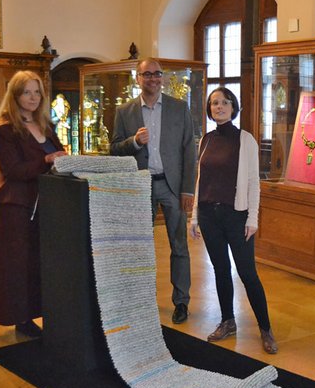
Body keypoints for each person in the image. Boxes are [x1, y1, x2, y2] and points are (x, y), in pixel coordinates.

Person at [189, 87, 278, 354]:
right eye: (214, 103)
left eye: (224, 102)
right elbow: (199, 180)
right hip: (208, 215)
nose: (219, 107)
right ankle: (228, 321)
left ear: (233, 106)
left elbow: (253, 182)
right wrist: (194, 216)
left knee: (247, 273)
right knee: (220, 270)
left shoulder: (245, 139)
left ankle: (266, 328)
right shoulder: (205, 140)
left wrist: (253, 218)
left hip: (236, 216)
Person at [111, 57, 195, 324]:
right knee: (139, 247)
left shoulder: (179, 108)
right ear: (138, 78)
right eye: (146, 74)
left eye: (157, 74)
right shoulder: (124, 112)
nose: (153, 79)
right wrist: (134, 141)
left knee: (179, 246)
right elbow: (114, 149)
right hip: (139, 187)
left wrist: (187, 190)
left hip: (172, 187)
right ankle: (141, 299)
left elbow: (189, 152)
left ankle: (181, 302)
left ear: (163, 77)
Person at [0, 70, 67, 338]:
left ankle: (40, 311)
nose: (33, 98)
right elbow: (14, 171)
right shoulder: (4, 128)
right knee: (18, 265)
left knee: (38, 262)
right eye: (26, 92)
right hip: (17, 207)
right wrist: (46, 161)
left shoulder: (45, 125)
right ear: (15, 95)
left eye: (37, 92)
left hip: (45, 205)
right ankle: (21, 318)